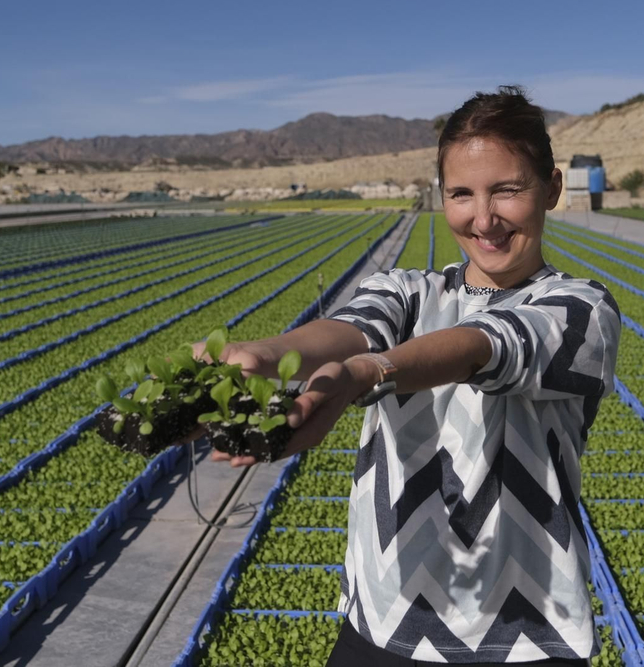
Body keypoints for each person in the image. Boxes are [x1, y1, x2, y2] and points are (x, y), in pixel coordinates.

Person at [201, 85, 621, 665]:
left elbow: (485, 345)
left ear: (550, 188)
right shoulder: (406, 290)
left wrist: (369, 372)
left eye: (507, 190)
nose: (484, 218)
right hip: (386, 619)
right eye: (461, 194)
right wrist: (266, 355)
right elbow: (351, 326)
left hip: (526, 635)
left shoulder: (581, 309)